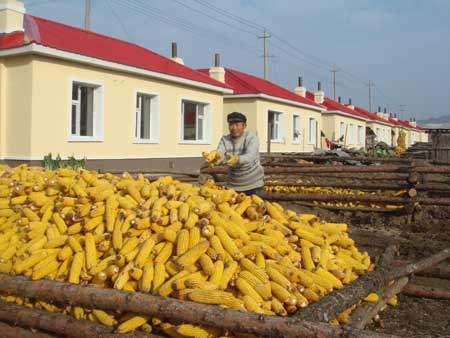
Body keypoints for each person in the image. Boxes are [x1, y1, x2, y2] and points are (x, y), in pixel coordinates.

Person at [216, 112, 264, 196]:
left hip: (254, 184)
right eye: (231, 125)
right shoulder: (225, 139)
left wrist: (237, 159)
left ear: (244, 126)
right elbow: (220, 153)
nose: (234, 128)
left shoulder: (251, 138)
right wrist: (216, 159)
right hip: (233, 184)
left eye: (237, 125)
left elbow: (250, 156)